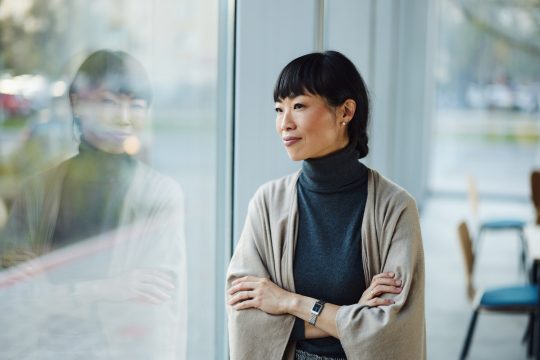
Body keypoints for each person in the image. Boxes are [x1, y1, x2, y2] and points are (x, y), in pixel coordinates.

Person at [227, 51, 425, 360]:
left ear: (345, 111)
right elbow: (246, 316)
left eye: (299, 106)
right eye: (279, 109)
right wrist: (352, 314)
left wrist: (287, 302)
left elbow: (389, 328)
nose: (284, 123)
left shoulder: (395, 208)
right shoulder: (267, 203)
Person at [0, 50, 186, 360]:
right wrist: (110, 289)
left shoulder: (159, 194)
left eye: (136, 105)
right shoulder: (38, 190)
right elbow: (13, 297)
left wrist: (54, 295)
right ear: (77, 103)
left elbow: (158, 312)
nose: (123, 116)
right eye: (108, 102)